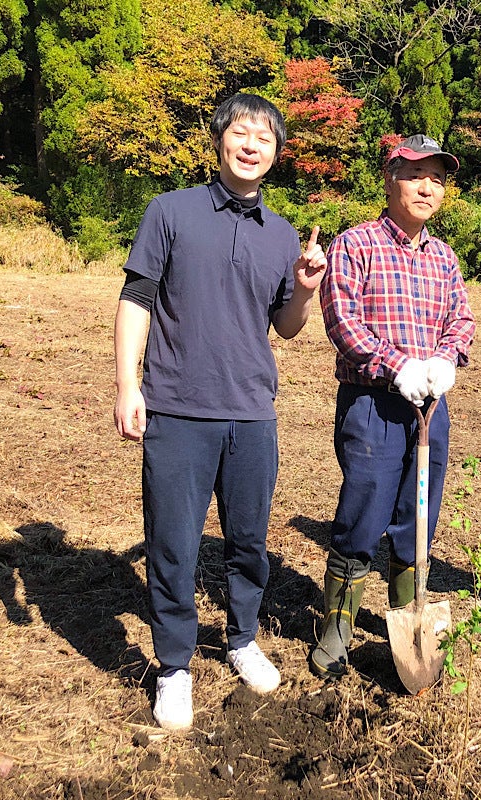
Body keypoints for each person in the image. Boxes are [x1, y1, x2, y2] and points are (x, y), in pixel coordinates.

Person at [113, 93, 327, 731]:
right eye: (241, 132)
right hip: (178, 408)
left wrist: (306, 289)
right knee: (173, 543)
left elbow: (287, 326)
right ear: (219, 139)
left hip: (252, 412)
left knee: (249, 542)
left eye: (265, 137)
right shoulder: (170, 211)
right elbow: (136, 297)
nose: (251, 145)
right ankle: (174, 665)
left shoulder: (282, 233)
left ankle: (241, 638)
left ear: (277, 153)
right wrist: (127, 384)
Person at [309, 134, 475, 681]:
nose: (427, 188)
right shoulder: (355, 245)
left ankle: (409, 615)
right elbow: (342, 319)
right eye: (415, 175)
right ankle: (337, 627)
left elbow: (461, 319)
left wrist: (446, 358)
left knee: (418, 515)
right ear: (390, 179)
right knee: (364, 512)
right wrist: (395, 365)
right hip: (373, 404)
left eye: (437, 179)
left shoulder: (444, 257)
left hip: (430, 407)